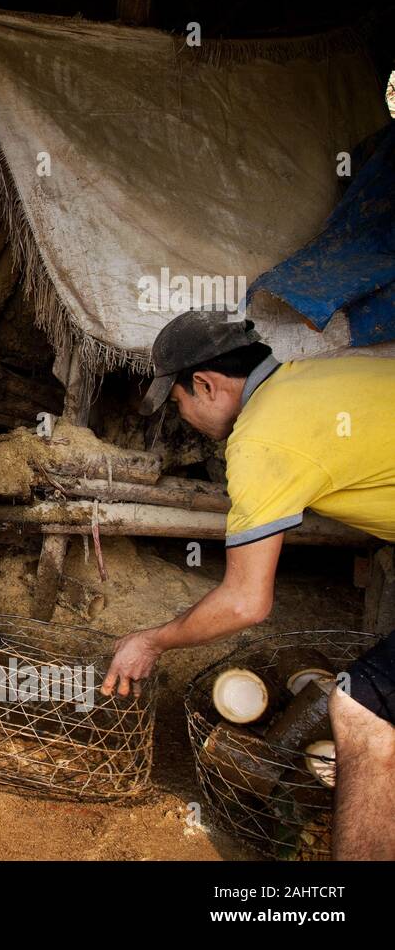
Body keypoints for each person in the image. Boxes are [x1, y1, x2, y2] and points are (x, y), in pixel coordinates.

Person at [102, 308, 395, 858]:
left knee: (366, 714)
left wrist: (151, 640)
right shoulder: (318, 377)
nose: (183, 416)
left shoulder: (260, 439)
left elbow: (244, 602)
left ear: (207, 384)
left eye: (179, 401)